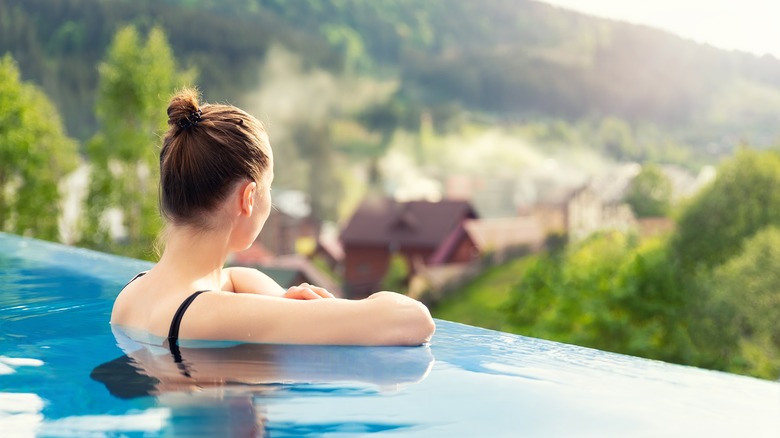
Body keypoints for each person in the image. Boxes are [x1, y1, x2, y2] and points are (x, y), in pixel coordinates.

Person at [110, 88, 435, 349]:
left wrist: (280, 298)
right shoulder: (211, 314)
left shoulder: (133, 294)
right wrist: (298, 308)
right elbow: (412, 321)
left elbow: (232, 278)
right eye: (269, 187)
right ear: (247, 198)